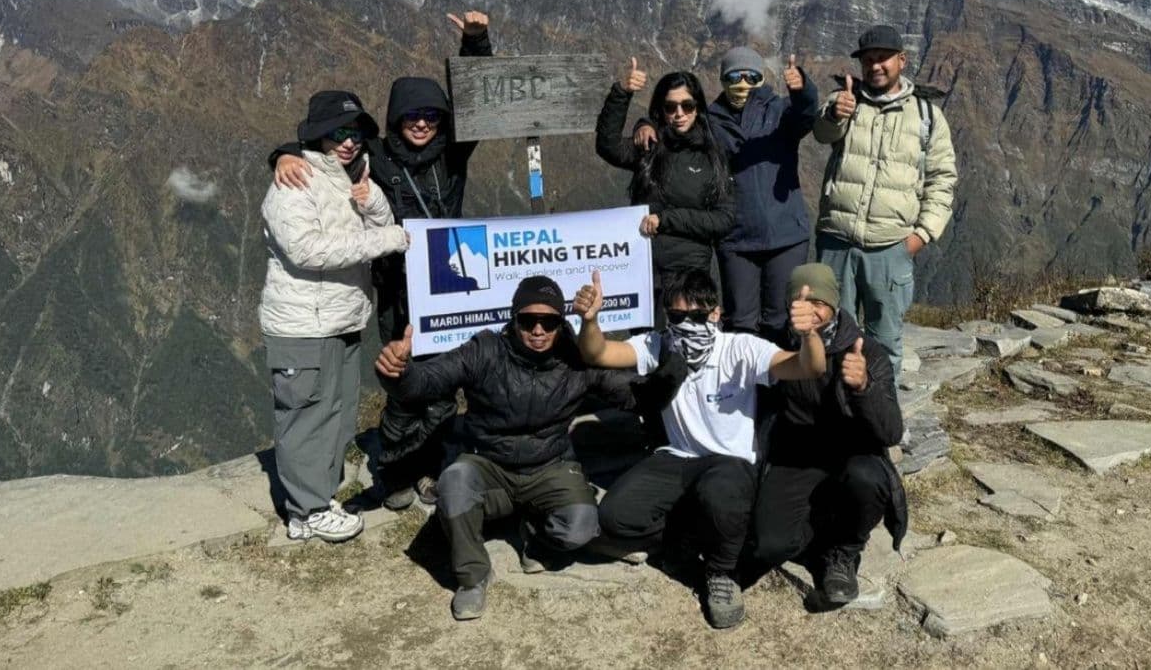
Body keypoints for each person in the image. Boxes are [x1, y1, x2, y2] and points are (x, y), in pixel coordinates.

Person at [271, 12, 492, 511]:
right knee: (401, 377)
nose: (422, 123)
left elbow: (477, 101)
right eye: (412, 117)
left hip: (451, 282)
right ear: (395, 120)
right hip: (396, 285)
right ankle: (395, 467)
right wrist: (284, 153)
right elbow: (325, 143)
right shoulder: (374, 154)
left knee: (442, 380)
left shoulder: (453, 153)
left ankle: (431, 468)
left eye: (431, 116)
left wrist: (475, 42)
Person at [374, 277, 639, 621]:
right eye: (528, 320)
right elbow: (427, 381)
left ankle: (536, 538)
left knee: (581, 525)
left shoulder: (575, 359)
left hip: (550, 463)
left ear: (562, 324)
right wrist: (398, 374)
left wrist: (675, 373)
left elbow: (630, 393)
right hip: (488, 463)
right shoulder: (485, 349)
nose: (539, 330)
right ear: (513, 319)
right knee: (453, 485)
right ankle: (473, 576)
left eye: (550, 322)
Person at [572, 269, 825, 630]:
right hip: (677, 457)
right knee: (615, 516)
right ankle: (688, 536)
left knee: (722, 497)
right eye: (677, 317)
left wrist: (809, 336)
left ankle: (722, 572)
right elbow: (597, 352)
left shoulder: (740, 348)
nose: (687, 326)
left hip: (730, 462)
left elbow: (808, 367)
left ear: (716, 314)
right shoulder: (660, 345)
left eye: (698, 317)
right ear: (667, 318)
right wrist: (591, 320)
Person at [259, 90, 410, 542]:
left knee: (334, 414)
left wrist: (371, 202)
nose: (348, 142)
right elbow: (306, 251)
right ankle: (307, 508)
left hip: (340, 317)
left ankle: (314, 504)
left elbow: (380, 221)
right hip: (304, 323)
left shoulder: (349, 177)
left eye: (356, 134)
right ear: (318, 136)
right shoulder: (294, 182)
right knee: (305, 415)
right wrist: (386, 241)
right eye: (338, 134)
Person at [634, 46, 818, 342]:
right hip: (736, 237)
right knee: (740, 321)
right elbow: (677, 123)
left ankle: (776, 385)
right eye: (734, 75)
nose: (743, 82)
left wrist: (803, 90)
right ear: (723, 79)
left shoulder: (780, 110)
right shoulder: (711, 120)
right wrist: (644, 124)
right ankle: (744, 387)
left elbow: (807, 115)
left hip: (784, 235)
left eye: (751, 75)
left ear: (761, 77)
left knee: (780, 319)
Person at [749, 263, 907, 606]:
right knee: (769, 545)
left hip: (853, 454)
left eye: (819, 302)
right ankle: (822, 543)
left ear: (835, 304)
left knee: (867, 478)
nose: (812, 312)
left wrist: (863, 386)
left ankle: (845, 552)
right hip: (796, 454)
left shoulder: (867, 351)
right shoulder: (775, 350)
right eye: (802, 302)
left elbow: (892, 431)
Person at [812, 25, 957, 382]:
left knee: (885, 341)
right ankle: (836, 416)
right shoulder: (845, 100)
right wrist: (835, 114)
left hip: (890, 246)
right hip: (837, 241)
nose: (875, 66)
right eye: (868, 60)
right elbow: (822, 133)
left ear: (901, 61)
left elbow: (943, 179)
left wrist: (922, 235)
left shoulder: (927, 117)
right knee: (830, 333)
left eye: (883, 59)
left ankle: (880, 419)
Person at [594, 61, 736, 307]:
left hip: (690, 276)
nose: (679, 113)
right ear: (661, 109)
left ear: (698, 108)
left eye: (687, 105)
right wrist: (622, 93)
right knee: (645, 342)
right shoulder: (649, 147)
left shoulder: (712, 156)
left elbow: (723, 219)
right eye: (671, 107)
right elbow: (608, 146)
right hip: (644, 269)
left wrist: (667, 219)